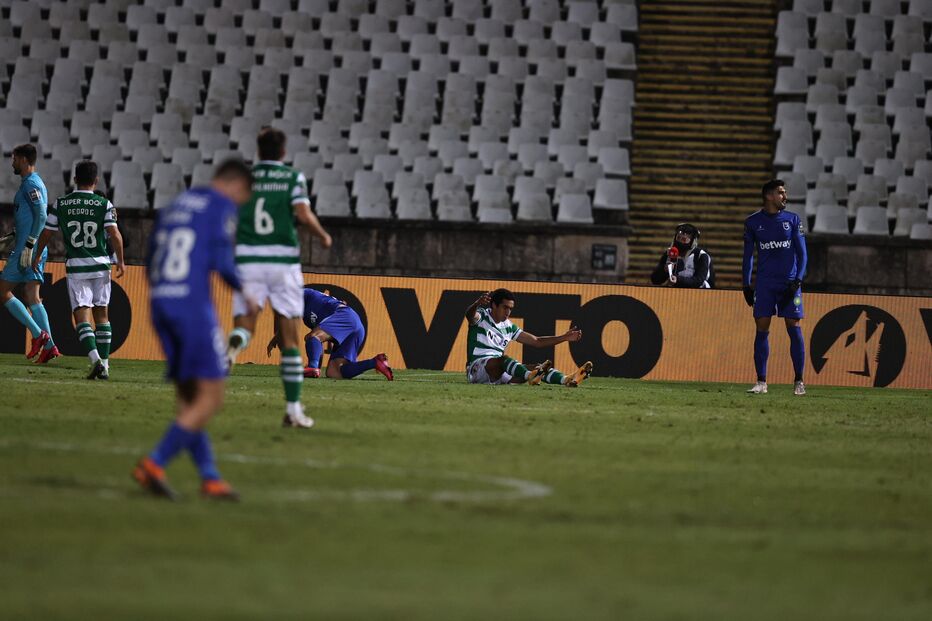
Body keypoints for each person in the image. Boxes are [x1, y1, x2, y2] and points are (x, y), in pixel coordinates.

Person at [133, 159, 257, 501]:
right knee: (212, 396)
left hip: (161, 303)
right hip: (192, 308)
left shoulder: (177, 204)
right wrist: (245, 290)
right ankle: (154, 463)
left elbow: (151, 255)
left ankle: (210, 477)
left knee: (189, 397)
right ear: (237, 186)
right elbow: (221, 258)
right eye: (242, 198)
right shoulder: (220, 205)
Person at [225, 127, 332, 429]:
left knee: (246, 322)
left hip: (248, 260)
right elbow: (303, 214)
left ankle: (238, 341)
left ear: (258, 152)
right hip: (282, 262)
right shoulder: (292, 178)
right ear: (283, 153)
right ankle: (293, 410)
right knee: (289, 338)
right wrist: (322, 236)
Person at [32, 160, 125, 379]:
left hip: (77, 267)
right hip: (101, 265)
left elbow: (47, 233)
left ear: (74, 179)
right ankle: (105, 365)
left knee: (81, 317)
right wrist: (120, 260)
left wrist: (37, 256)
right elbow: (115, 234)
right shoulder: (105, 204)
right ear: (96, 180)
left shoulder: (62, 203)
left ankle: (96, 362)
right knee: (102, 315)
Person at [742, 179, 808, 396]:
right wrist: (746, 283)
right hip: (765, 284)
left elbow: (802, 253)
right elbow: (748, 256)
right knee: (761, 328)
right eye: (781, 193)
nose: (784, 196)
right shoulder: (752, 222)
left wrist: (797, 280)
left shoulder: (793, 219)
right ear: (769, 196)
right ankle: (761, 382)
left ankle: (799, 381)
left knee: (794, 326)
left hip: (789, 283)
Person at [464, 288, 593, 387]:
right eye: (505, 307)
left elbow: (537, 341)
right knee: (504, 360)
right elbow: (470, 315)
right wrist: (477, 304)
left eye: (510, 308)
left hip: (498, 371)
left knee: (537, 367)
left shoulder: (509, 326)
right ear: (493, 305)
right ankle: (530, 376)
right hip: (477, 369)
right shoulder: (481, 316)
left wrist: (564, 337)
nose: (508, 312)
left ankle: (567, 380)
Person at [1, 144, 58, 362]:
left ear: (24, 159)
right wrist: (15, 235)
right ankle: (50, 346)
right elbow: (32, 217)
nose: (12, 162)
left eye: (14, 158)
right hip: (31, 246)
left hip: (27, 249)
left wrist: (28, 243)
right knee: (32, 296)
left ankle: (38, 335)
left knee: (2, 291)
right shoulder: (31, 183)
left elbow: (42, 215)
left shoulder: (31, 183)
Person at [266, 287, 394, 382]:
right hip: (354, 324)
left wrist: (314, 367)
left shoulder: (303, 294)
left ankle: (312, 367)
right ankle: (375, 362)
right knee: (335, 372)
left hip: (345, 316)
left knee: (313, 337)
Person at [650, 223, 714, 288]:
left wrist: (678, 280)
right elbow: (655, 280)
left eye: (684, 240)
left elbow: (699, 281)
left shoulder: (701, 256)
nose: (680, 242)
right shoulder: (670, 253)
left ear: (692, 242)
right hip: (678, 293)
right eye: (678, 238)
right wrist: (664, 270)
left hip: (702, 294)